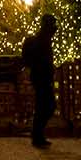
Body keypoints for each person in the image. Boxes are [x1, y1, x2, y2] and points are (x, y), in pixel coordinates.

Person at [22, 14, 57, 149]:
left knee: (43, 106)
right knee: (47, 106)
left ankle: (38, 135)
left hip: (40, 76)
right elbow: (43, 60)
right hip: (42, 76)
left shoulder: (43, 38)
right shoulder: (42, 39)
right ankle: (37, 135)